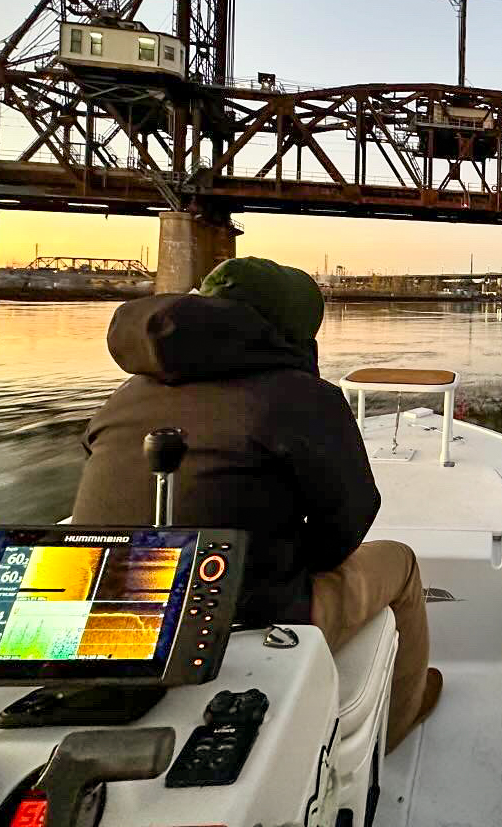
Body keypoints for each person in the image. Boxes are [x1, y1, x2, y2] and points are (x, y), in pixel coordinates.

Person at [73, 256, 440, 751]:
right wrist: (289, 564)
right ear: (292, 334)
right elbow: (350, 520)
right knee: (401, 562)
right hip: (246, 620)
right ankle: (402, 717)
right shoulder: (304, 397)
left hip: (105, 623)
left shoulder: (124, 394)